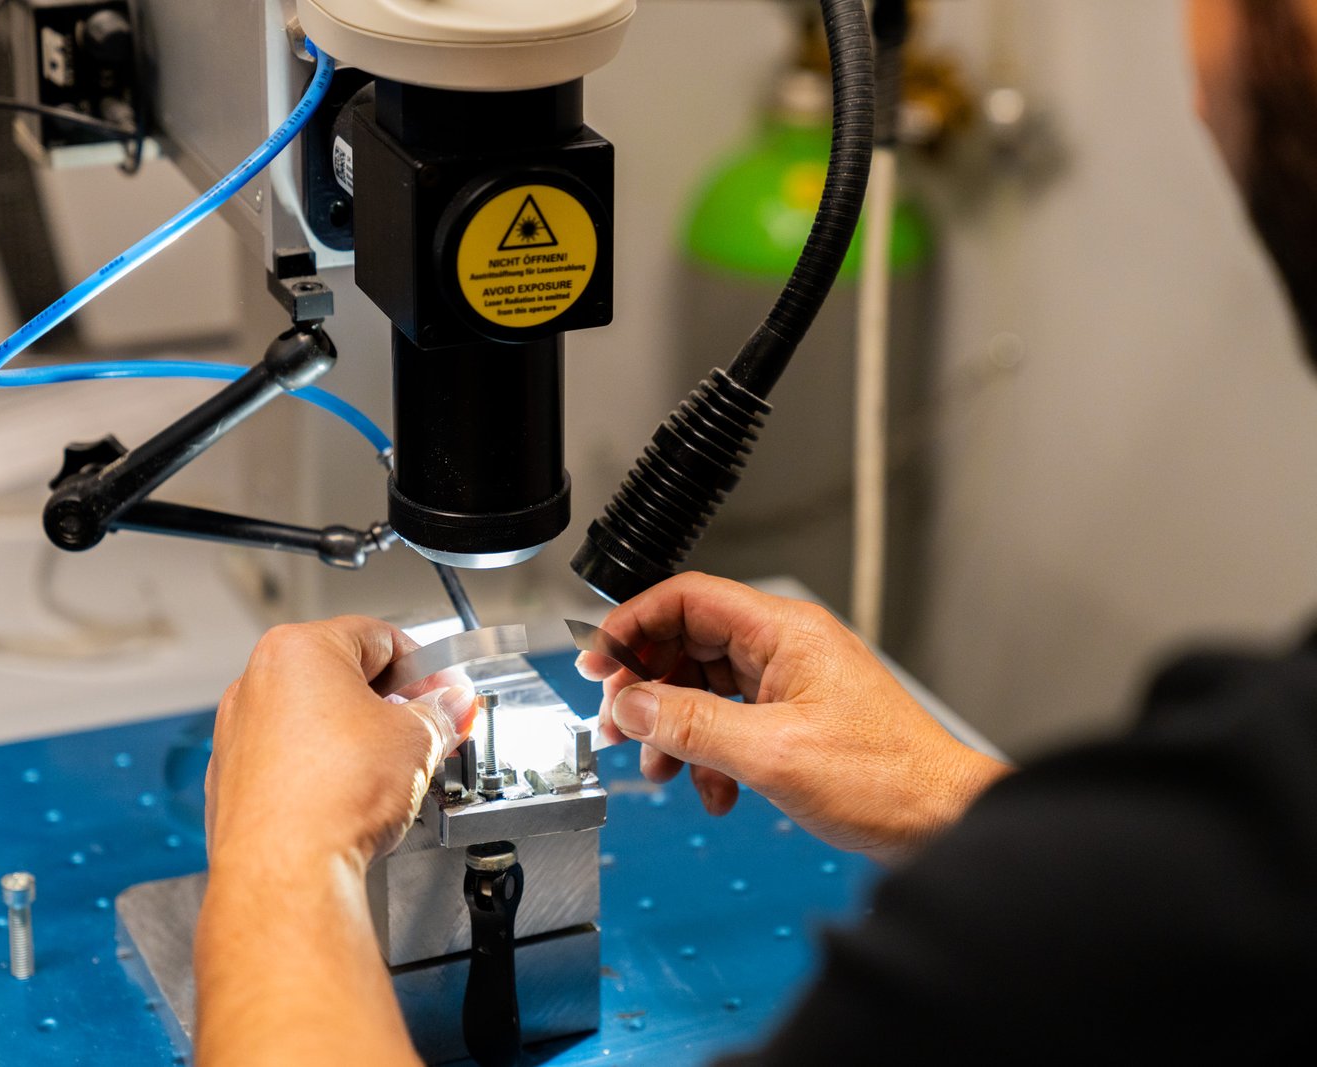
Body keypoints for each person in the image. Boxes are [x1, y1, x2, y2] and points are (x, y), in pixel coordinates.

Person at [193, 1, 1317, 1062]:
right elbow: (1189, 899)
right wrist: (940, 788)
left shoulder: (1022, 951)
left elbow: (1161, 914)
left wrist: (282, 847)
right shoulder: (1241, 843)